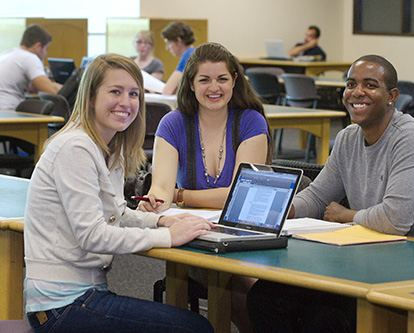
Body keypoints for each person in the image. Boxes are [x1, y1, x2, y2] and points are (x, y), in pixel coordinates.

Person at [247, 54, 414, 333]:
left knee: (326, 317)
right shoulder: (349, 138)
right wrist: (283, 208)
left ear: (392, 96)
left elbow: (394, 221)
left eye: (370, 85)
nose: (357, 92)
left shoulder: (411, 139)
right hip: (371, 259)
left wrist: (345, 215)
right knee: (264, 297)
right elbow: (317, 196)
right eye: (351, 84)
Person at [23, 53, 214, 333]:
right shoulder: (75, 148)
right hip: (61, 305)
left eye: (134, 93)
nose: (126, 102)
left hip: (80, 296)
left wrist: (160, 221)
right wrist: (168, 237)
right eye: (115, 91)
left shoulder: (107, 148)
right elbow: (92, 235)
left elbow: (116, 213)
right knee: (195, 328)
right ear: (90, 97)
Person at [138, 42, 272, 333]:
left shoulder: (251, 122)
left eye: (222, 79)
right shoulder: (173, 124)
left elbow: (241, 195)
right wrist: (157, 200)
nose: (215, 87)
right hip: (198, 241)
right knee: (240, 287)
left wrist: (181, 196)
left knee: (257, 289)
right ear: (191, 84)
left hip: (249, 240)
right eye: (204, 79)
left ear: (234, 81)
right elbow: (161, 187)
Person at [0, 24, 62, 110]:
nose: (46, 54)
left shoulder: (7, 54)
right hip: (7, 110)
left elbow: (33, 88)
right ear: (38, 46)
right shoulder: (29, 57)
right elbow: (51, 90)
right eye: (46, 49)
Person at [161, 21, 196, 95]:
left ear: (178, 40)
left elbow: (167, 91)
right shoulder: (195, 52)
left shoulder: (188, 55)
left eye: (169, 43)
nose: (167, 48)